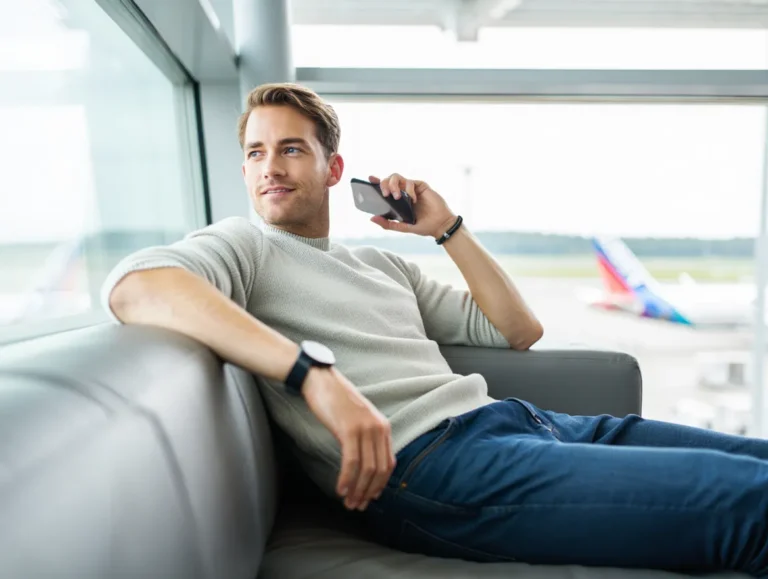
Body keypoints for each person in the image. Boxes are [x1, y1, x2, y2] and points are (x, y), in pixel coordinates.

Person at [102, 82, 768, 577]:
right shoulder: (245, 246)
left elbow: (518, 328)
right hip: (435, 469)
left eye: (291, 149)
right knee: (751, 505)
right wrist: (313, 373)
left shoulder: (381, 262)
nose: (270, 166)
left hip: (520, 423)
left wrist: (448, 229)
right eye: (255, 152)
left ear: (334, 170)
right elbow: (139, 283)